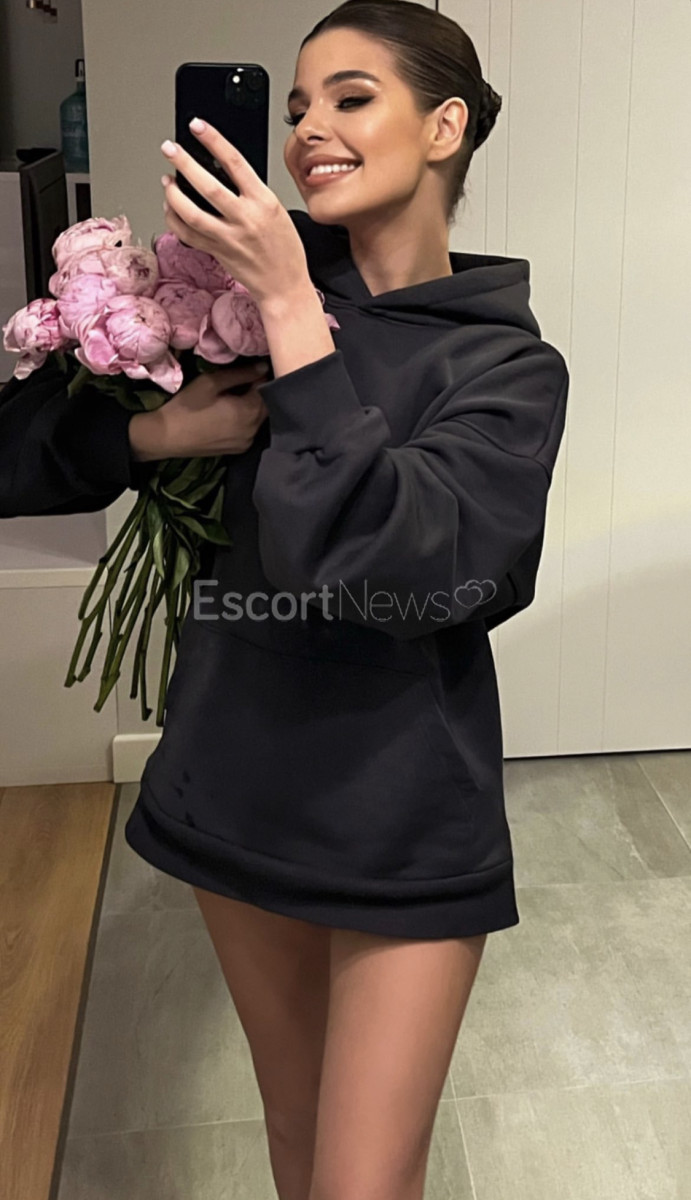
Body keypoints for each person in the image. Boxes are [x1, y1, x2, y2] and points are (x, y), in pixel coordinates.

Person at [0, 2, 569, 1197]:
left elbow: (414, 575)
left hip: (403, 817)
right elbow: (16, 451)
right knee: (298, 1140)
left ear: (444, 127)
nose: (308, 129)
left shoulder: (501, 366)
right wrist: (155, 433)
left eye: (351, 98)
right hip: (236, 782)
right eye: (298, 105)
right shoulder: (221, 305)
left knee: (363, 1183)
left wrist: (295, 314)